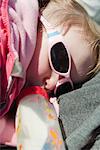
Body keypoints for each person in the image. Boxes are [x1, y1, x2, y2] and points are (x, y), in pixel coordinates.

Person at [0, 0, 100, 149]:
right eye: (60, 60)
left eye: (64, 87)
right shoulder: (10, 35)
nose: (54, 83)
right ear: (41, 22)